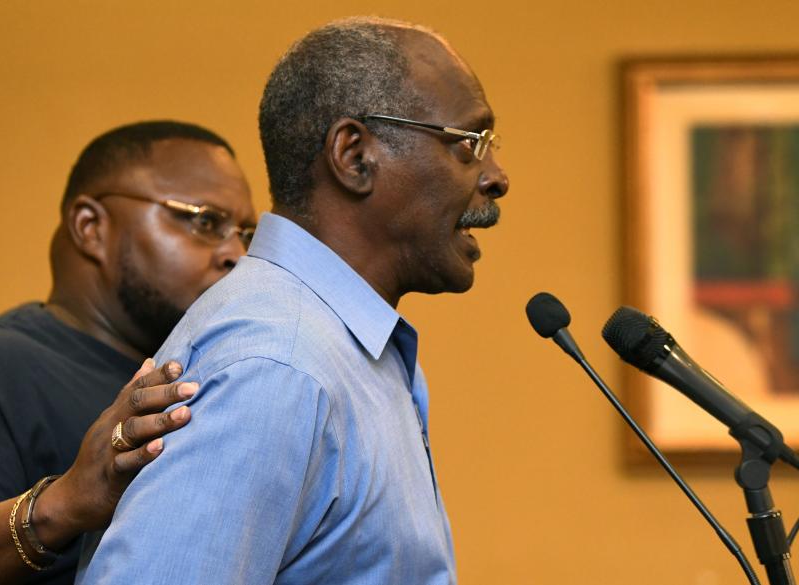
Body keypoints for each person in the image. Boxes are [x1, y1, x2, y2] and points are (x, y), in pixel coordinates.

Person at [78, 18, 508, 585]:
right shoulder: (277, 365)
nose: (496, 177)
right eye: (469, 145)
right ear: (354, 157)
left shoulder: (350, 350)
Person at [0, 120, 256, 585]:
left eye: (246, 233)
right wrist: (65, 502)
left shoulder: (201, 374)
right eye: (205, 221)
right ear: (89, 226)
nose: (235, 252)